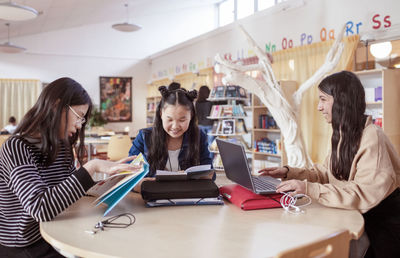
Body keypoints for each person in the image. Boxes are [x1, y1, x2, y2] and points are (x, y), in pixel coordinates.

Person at [259, 71, 400, 258]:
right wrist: (289, 173)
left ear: (342, 100)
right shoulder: (342, 134)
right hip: (359, 217)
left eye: (323, 99)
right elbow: (326, 173)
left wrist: (309, 189)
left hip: (383, 226)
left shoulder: (372, 135)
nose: (319, 107)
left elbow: (363, 194)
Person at [0, 77, 140, 258]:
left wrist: (115, 180)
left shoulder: (61, 144)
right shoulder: (17, 147)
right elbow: (40, 208)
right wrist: (92, 167)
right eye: (79, 116)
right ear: (57, 106)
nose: (79, 125)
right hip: (24, 245)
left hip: (54, 230)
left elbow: (71, 191)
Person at [129, 85, 213, 189]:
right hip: (153, 197)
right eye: (169, 119)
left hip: (187, 197)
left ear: (191, 116)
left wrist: (200, 177)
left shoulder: (199, 136)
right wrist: (140, 185)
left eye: (182, 120)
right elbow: (128, 175)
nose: (175, 126)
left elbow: (210, 173)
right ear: (161, 114)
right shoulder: (143, 137)